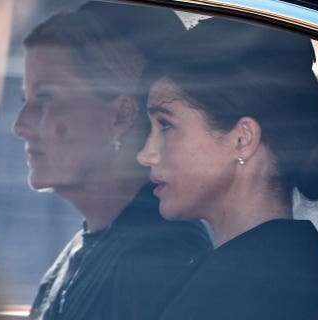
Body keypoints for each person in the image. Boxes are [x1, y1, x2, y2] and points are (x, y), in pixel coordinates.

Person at [136, 18, 318, 320]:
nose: (146, 155)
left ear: (242, 139)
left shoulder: (255, 292)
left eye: (166, 125)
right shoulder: (275, 269)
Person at [12, 3, 211, 320]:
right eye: (26, 101)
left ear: (121, 115)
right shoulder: (90, 246)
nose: (20, 126)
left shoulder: (156, 263)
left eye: (45, 97)